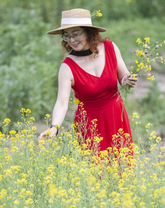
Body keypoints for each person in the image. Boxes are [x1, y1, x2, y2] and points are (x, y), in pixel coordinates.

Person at [38, 8, 137, 153]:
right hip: (89, 125)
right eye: (66, 36)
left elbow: (123, 77)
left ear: (88, 32)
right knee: (95, 171)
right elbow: (61, 102)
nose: (71, 40)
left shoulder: (110, 48)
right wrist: (54, 127)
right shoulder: (67, 67)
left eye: (76, 34)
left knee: (122, 167)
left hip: (116, 117)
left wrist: (128, 80)